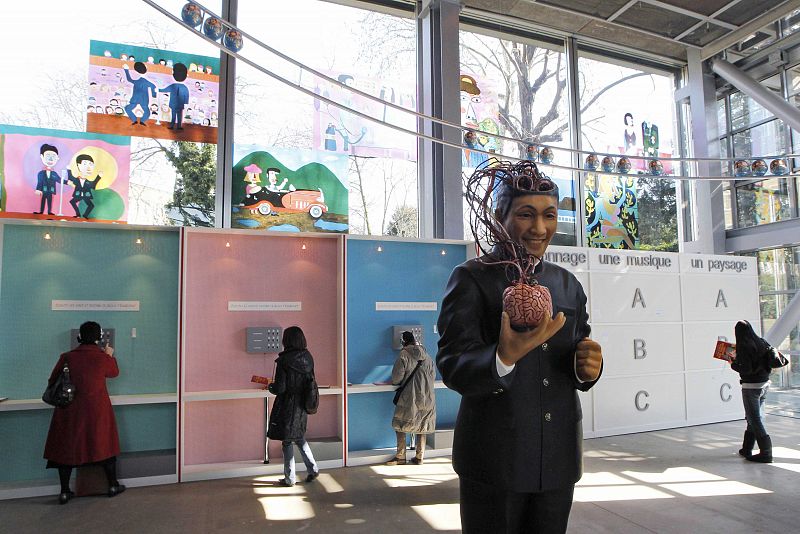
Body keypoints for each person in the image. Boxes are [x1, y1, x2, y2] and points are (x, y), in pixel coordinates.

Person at [437, 160, 603, 533]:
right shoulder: (471, 279)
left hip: (558, 456)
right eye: (527, 215)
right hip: (494, 458)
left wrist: (588, 366)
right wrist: (502, 357)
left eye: (549, 215)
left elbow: (579, 348)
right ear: (500, 216)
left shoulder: (567, 285)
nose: (540, 228)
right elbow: (451, 363)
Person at [43, 321, 125, 504]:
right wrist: (110, 355)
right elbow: (114, 372)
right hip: (97, 410)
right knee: (105, 445)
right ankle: (112, 485)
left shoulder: (67, 357)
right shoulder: (103, 358)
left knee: (66, 449)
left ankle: (65, 491)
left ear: (79, 337)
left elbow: (52, 379)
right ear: (99, 338)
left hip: (69, 411)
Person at [267, 326, 320, 487]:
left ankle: (290, 478)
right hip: (303, 404)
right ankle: (312, 469)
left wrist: (271, 387)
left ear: (286, 340)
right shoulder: (308, 357)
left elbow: (281, 388)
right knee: (298, 436)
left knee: (287, 441)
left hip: (287, 404)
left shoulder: (284, 360)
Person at [731, 320, 788, 463]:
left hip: (751, 387)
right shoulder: (761, 342)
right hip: (764, 385)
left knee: (754, 418)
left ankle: (766, 452)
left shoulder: (744, 347)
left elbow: (746, 369)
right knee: (754, 417)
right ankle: (746, 449)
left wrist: (733, 363)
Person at [386, 331, 436, 466]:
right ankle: (420, 457)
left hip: (409, 396)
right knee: (422, 425)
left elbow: (396, 379)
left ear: (403, 342)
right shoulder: (428, 357)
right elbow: (432, 376)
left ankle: (400, 456)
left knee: (401, 424)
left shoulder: (403, 355)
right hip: (426, 397)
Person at [64, 154, 102, 218]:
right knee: (72, 202)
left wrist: (99, 177)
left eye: (91, 164)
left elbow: (93, 185)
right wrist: (69, 170)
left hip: (86, 195)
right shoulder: (76, 179)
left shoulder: (88, 182)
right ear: (78, 165)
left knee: (91, 205)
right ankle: (78, 214)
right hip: (78, 194)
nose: (88, 167)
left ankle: (85, 215)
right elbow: (70, 178)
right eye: (85, 164)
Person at [34, 144, 65, 215]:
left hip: (50, 191)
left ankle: (49, 212)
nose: (50, 159)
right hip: (44, 191)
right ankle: (41, 211)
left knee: (49, 201)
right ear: (42, 157)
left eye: (53, 157)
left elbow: (59, 180)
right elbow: (39, 182)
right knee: (43, 201)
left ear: (57, 158)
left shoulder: (54, 173)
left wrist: (67, 182)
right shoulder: (41, 173)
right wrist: (38, 189)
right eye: (48, 156)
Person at [161, 63, 189, 130]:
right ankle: (178, 126)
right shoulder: (184, 87)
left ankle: (173, 125)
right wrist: (186, 102)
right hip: (179, 105)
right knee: (179, 115)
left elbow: (165, 89)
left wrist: (158, 89)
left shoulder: (173, 86)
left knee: (174, 115)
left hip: (174, 104)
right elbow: (186, 96)